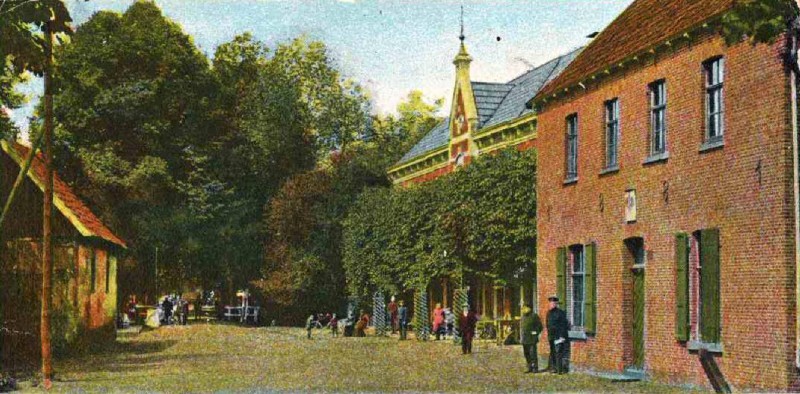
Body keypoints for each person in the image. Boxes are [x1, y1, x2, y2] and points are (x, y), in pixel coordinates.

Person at [546, 296, 571, 374]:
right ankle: (554, 368)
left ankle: (559, 370)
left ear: (556, 304)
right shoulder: (548, 313)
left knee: (558, 353)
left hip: (558, 336)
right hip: (551, 336)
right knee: (553, 352)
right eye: (550, 303)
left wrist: (562, 336)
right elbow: (547, 324)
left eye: (553, 303)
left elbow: (564, 325)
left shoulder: (561, 313)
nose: (552, 304)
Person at [520, 304, 544, 373]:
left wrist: (535, 333)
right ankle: (529, 367)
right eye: (523, 308)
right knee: (526, 354)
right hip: (525, 339)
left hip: (532, 339)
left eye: (525, 308)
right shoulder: (523, 317)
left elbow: (540, 326)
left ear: (529, 308)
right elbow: (522, 328)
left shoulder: (534, 316)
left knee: (533, 354)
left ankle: (535, 368)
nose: (523, 310)